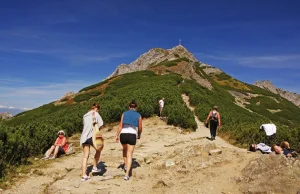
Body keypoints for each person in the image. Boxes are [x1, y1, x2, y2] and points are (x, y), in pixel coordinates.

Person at [116, 100, 142, 181]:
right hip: (132, 134)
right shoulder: (138, 115)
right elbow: (140, 127)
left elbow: (120, 125)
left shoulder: (124, 113)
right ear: (136, 107)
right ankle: (127, 174)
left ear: (129, 107)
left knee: (124, 150)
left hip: (123, 134)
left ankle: (125, 165)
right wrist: (139, 134)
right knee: (130, 154)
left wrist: (117, 135)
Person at [80, 103, 104, 181]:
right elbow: (101, 124)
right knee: (99, 149)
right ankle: (94, 167)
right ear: (96, 108)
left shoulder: (85, 115)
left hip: (84, 137)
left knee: (85, 156)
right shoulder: (96, 114)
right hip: (92, 136)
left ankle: (84, 175)